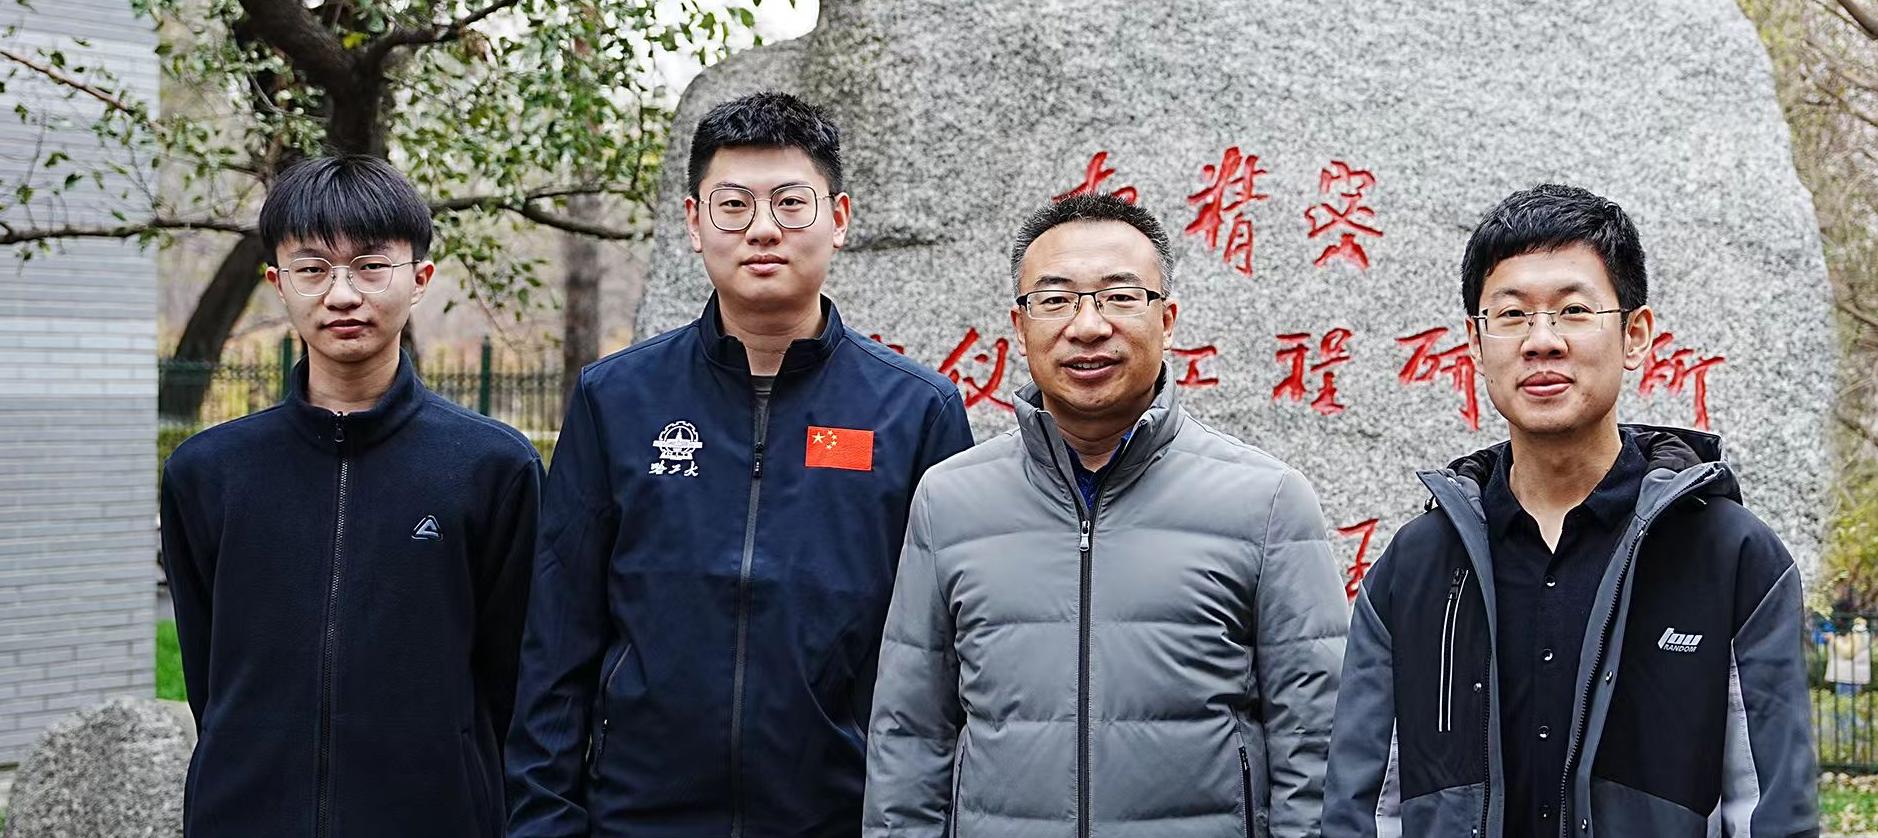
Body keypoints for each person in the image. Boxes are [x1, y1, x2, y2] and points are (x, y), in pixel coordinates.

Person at [505, 91, 975, 837]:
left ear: (839, 219)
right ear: (694, 223)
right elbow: (558, 640)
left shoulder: (916, 411)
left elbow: (948, 654)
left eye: (791, 203)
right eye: (733, 206)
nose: (762, 229)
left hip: (841, 818)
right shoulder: (616, 399)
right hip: (639, 820)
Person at [1323, 184, 1818, 837]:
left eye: (1574, 310)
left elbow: (1770, 811)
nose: (1542, 340)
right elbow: (1362, 809)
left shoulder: (1731, 558)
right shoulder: (1414, 567)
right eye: (1511, 314)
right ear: (1476, 343)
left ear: (1635, 336)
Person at [862, 193, 1347, 837]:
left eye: (1119, 297)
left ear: (1167, 320)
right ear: (1020, 326)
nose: (1087, 326)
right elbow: (909, 735)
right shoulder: (950, 500)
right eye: (1056, 299)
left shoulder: (1266, 500)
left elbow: (1317, 739)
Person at [160, 155, 542, 837]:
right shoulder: (208, 473)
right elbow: (210, 679)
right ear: (278, 283)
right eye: (312, 269)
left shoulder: (492, 468)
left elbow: (512, 680)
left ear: (419, 279)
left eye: (370, 266)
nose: (341, 294)